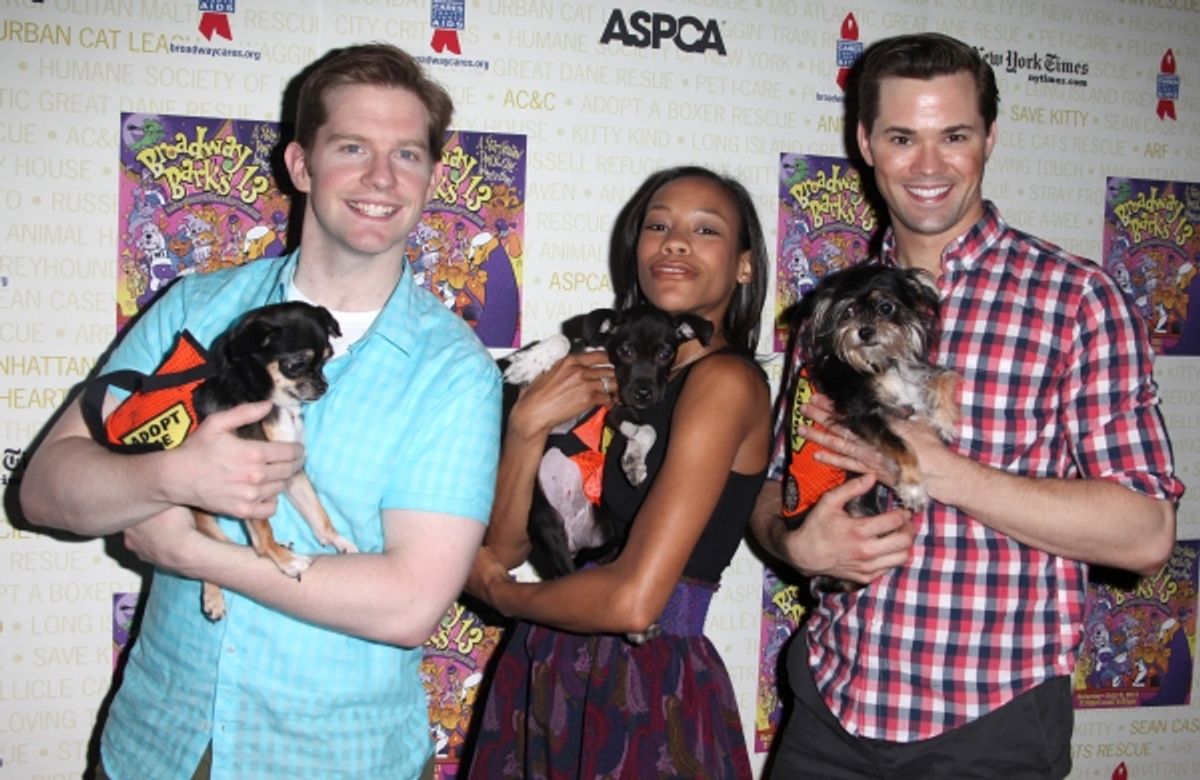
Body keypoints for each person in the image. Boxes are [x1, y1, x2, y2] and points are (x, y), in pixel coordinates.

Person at [19, 44, 500, 779]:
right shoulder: (196, 307)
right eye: (352, 147)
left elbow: (409, 605)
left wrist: (191, 552)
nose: (381, 176)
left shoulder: (454, 371)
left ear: (431, 177)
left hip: (334, 762)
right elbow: (47, 488)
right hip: (154, 750)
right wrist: (173, 476)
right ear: (301, 166)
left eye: (407, 153)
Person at [750, 32, 1184, 779]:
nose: (927, 166)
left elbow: (1145, 532)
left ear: (989, 136)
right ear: (864, 143)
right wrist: (795, 543)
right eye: (901, 137)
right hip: (830, 709)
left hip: (988, 726)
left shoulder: (1074, 298)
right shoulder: (832, 312)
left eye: (953, 136)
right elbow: (765, 491)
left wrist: (940, 470)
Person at [463, 165, 771, 778]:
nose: (675, 242)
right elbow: (506, 543)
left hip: (647, 684)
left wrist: (502, 595)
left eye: (705, 230)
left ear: (744, 265)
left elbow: (634, 602)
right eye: (658, 225)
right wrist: (527, 426)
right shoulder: (610, 377)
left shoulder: (725, 381)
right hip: (550, 662)